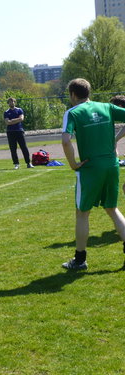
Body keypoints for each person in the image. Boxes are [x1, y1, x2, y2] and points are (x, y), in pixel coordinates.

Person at [61, 78, 125, 270]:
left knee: (82, 213)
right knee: (113, 209)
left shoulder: (72, 112)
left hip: (90, 168)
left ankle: (80, 260)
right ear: (89, 92)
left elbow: (65, 141)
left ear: (73, 94)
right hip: (111, 165)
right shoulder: (107, 107)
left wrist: (73, 164)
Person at [3, 97, 34, 169]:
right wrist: (17, 120)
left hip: (19, 130)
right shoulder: (6, 112)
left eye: (13, 101)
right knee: (13, 149)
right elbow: (7, 122)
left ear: (15, 102)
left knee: (24, 147)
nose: (12, 103)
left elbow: (21, 119)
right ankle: (16, 164)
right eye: (10, 102)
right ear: (8, 103)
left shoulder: (19, 110)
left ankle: (28, 163)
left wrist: (13, 120)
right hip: (10, 132)